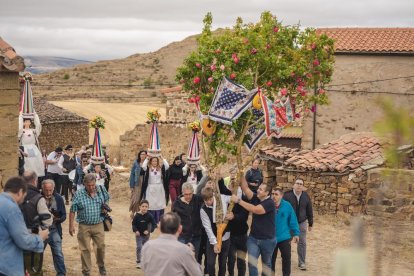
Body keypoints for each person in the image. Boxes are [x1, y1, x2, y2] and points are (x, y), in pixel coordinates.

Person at [0, 176, 49, 276]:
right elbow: (24, 241)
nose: (23, 198)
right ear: (20, 192)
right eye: (24, 195)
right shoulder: (12, 208)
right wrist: (40, 237)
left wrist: (30, 232)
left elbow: (7, 231)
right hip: (6, 267)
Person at [230, 177, 276, 276]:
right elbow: (245, 188)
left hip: (267, 240)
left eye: (261, 189)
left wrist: (238, 200)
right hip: (253, 238)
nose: (258, 190)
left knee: (266, 264)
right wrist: (241, 173)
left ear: (267, 193)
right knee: (252, 263)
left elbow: (255, 210)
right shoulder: (256, 198)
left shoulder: (270, 203)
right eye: (258, 188)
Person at [69, 173, 110, 276]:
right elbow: (73, 210)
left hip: (98, 224)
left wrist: (105, 207)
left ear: (95, 183)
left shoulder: (101, 189)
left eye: (92, 185)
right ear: (84, 184)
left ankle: (101, 266)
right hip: (84, 226)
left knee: (101, 246)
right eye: (88, 185)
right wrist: (71, 225)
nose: (91, 187)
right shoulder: (79, 194)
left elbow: (107, 199)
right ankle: (86, 271)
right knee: (85, 249)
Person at [21, 171, 53, 276]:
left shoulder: (14, 195)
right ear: (35, 181)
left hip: (15, 238)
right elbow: (47, 220)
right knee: (34, 270)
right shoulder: (38, 197)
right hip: (33, 238)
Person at [200, 186, 232, 276]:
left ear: (213, 196)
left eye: (210, 199)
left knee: (222, 263)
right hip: (212, 240)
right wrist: (215, 243)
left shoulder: (221, 198)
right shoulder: (203, 210)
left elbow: (232, 199)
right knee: (210, 263)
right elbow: (208, 228)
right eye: (206, 200)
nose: (208, 202)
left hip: (225, 237)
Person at [283, 178, 313, 271]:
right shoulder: (287, 196)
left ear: (303, 186)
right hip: (288, 224)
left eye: (301, 184)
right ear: (294, 185)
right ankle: (285, 260)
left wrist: (310, 223)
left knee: (302, 243)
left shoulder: (306, 196)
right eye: (297, 183)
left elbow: (309, 209)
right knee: (286, 242)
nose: (299, 185)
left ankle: (302, 262)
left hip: (302, 223)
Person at [172, 181, 206, 261]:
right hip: (183, 236)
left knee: (195, 258)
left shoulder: (197, 199)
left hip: (196, 236)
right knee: (181, 258)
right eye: (186, 194)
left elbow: (207, 194)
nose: (188, 196)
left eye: (190, 194)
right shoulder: (177, 203)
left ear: (193, 192)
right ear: (182, 193)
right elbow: (174, 220)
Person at [271, 187, 299, 276]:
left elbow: (293, 220)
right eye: (272, 194)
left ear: (281, 196)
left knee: (286, 259)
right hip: (271, 238)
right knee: (270, 260)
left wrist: (296, 233)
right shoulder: (268, 205)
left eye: (276, 194)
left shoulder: (287, 206)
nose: (274, 196)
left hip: (285, 238)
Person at [42, 179, 67, 276]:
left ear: (53, 189)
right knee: (38, 253)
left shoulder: (58, 198)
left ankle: (61, 274)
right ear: (42, 188)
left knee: (58, 253)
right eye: (46, 190)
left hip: (54, 229)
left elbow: (64, 215)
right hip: (42, 229)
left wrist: (58, 219)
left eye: (50, 190)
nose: (48, 192)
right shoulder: (38, 198)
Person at [141, 156, 169, 224]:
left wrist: (162, 158)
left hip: (159, 188)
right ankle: (150, 219)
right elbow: (143, 166)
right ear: (151, 162)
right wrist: (147, 158)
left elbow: (167, 166)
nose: (154, 162)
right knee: (151, 204)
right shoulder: (148, 169)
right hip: (151, 188)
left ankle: (159, 219)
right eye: (153, 161)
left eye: (156, 161)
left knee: (159, 204)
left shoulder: (160, 168)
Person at [18, 113, 45, 179]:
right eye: (25, 121)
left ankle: (34, 176)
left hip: (33, 148)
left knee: (34, 163)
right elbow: (19, 128)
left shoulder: (33, 131)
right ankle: (25, 175)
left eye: (28, 121)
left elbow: (38, 126)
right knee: (26, 163)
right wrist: (20, 117)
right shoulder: (22, 131)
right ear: (23, 123)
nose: (27, 123)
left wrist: (35, 116)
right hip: (24, 148)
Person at [132, 199, 157, 269]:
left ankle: (145, 261)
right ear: (139, 207)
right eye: (143, 206)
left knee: (146, 248)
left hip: (146, 236)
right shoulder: (137, 216)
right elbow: (133, 224)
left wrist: (149, 231)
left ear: (148, 208)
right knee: (139, 247)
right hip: (139, 235)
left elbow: (154, 224)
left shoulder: (150, 216)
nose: (144, 208)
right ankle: (139, 262)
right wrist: (136, 231)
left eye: (146, 206)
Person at [129, 150, 147, 215]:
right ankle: (133, 212)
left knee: (142, 198)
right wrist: (131, 185)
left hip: (145, 182)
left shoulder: (147, 163)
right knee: (136, 198)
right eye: (141, 154)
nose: (143, 155)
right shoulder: (136, 163)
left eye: (144, 154)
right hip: (137, 182)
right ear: (139, 155)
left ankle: (139, 213)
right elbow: (132, 174)